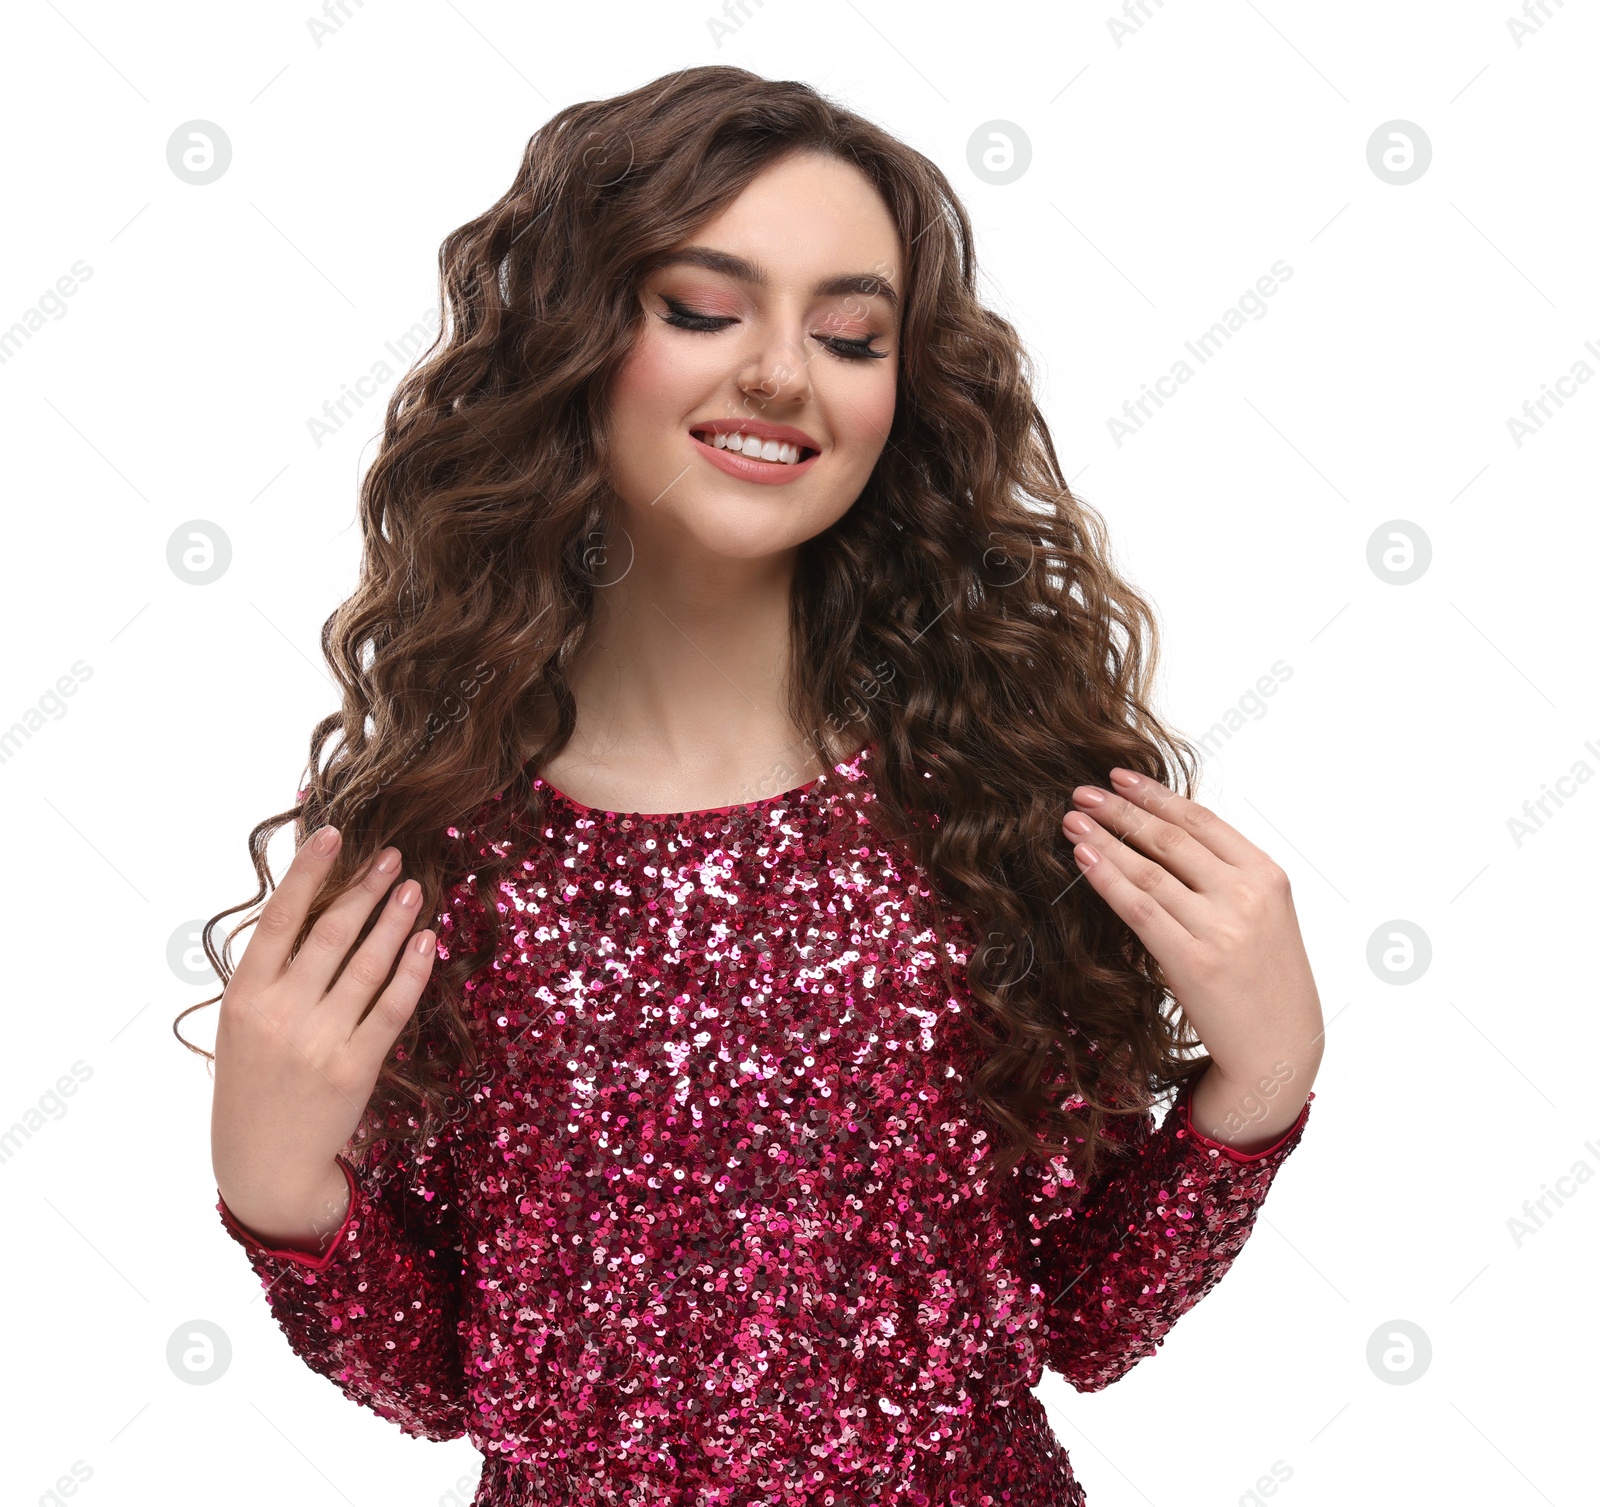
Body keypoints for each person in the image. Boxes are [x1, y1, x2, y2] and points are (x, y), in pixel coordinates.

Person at [187, 65, 1324, 1507]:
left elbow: (1088, 1326)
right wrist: (276, 1189)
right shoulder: (442, 860)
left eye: (851, 333)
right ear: (575, 344)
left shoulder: (993, 808)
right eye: (703, 310)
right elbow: (437, 1386)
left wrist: (1264, 1076)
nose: (784, 371)